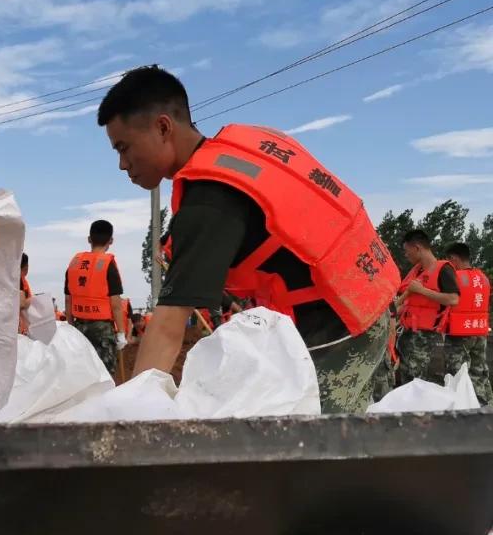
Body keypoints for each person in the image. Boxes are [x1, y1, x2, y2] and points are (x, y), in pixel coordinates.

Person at [97, 65, 398, 413]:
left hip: (336, 328)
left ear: (163, 127)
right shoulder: (245, 147)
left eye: (124, 147)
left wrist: (130, 417)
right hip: (369, 297)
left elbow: (167, 328)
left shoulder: (208, 199)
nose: (122, 164)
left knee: (311, 448)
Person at [395, 230, 459, 385]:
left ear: (417, 248)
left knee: (414, 379)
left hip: (424, 336)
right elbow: (406, 301)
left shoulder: (443, 269)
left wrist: (422, 290)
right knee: (403, 375)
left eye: (406, 250)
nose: (405, 255)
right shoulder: (416, 271)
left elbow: (453, 299)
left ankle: (413, 408)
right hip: (407, 332)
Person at [64, 219, 127, 374]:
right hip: (102, 329)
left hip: (80, 327)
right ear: (111, 240)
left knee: (82, 373)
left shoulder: (74, 264)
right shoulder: (107, 264)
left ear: (89, 239)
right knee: (105, 374)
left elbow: (68, 299)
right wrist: (121, 333)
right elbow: (116, 304)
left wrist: (71, 326)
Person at [443, 242, 491, 403]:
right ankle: (484, 406)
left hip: (459, 333)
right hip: (480, 331)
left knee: (458, 374)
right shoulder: (483, 278)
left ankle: (462, 408)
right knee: (479, 372)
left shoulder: (454, 278)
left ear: (453, 259)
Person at [19, 253, 32, 334]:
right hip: (19, 328)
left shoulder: (23, 281)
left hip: (23, 327)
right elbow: (21, 304)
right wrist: (35, 300)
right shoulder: (18, 280)